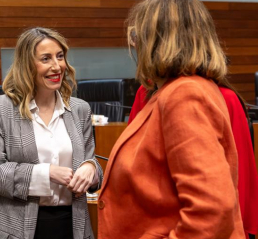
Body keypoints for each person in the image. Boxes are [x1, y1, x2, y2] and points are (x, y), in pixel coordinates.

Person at [98, 0, 245, 238]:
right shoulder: (181, 90)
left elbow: (210, 211)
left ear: (157, 40)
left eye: (137, 35)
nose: (134, 45)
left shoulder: (184, 94)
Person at [0, 27, 103, 239]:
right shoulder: (0, 108)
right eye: (46, 59)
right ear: (27, 65)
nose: (57, 66)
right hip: (22, 229)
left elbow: (90, 162)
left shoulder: (80, 108)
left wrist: (91, 169)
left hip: (74, 226)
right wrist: (47, 173)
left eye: (60, 57)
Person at [129, 85, 258, 239]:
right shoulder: (146, 92)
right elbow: (132, 163)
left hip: (208, 224)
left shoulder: (226, 97)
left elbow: (239, 173)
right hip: (153, 223)